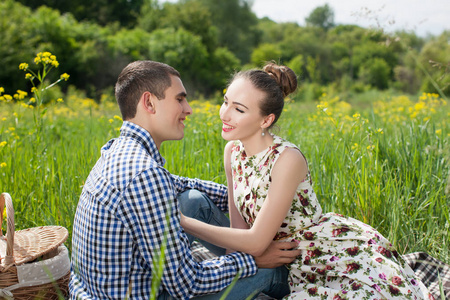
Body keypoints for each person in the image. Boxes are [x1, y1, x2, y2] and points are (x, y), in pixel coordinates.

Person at [181, 62, 432, 299]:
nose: (225, 114)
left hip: (309, 259)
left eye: (239, 109)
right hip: (263, 253)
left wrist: (182, 222)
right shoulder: (232, 152)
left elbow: (256, 241)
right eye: (225, 102)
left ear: (266, 120)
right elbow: (239, 229)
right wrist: (234, 267)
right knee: (190, 202)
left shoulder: (287, 159)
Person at [69, 60, 300, 300]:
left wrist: (260, 201)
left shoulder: (118, 151)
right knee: (270, 270)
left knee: (193, 199)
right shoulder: (145, 175)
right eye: (179, 99)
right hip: (145, 294)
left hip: (95, 290)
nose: (188, 109)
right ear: (149, 102)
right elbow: (187, 284)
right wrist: (251, 260)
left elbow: (179, 184)